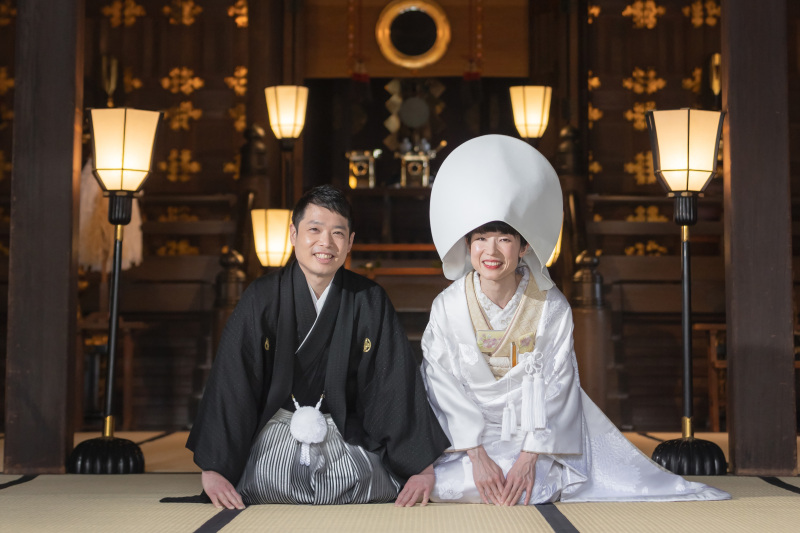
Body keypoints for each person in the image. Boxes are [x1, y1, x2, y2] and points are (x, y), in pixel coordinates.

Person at [421, 135, 730, 505]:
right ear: (467, 245)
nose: (490, 251)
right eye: (481, 239)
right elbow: (440, 384)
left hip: (533, 437)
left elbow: (559, 383)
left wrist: (529, 456)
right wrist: (476, 454)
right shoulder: (448, 306)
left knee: (530, 489)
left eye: (504, 239)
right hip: (466, 441)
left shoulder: (550, 306)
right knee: (448, 488)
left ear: (524, 247)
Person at [187, 185, 450, 509]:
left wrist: (419, 467)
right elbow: (233, 380)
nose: (325, 243)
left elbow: (393, 384)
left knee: (362, 481)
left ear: (350, 242)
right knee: (269, 477)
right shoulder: (262, 298)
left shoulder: (368, 300)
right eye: (314, 230)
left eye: (337, 233)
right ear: (294, 234)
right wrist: (215, 467)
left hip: (346, 434)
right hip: (278, 429)